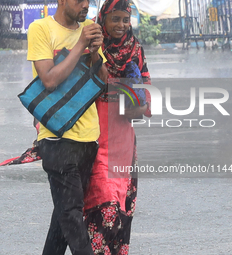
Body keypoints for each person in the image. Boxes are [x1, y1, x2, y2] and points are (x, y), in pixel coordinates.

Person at [26, 0, 108, 254]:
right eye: (79, 0)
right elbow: (49, 79)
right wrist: (81, 44)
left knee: (62, 220)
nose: (85, 5)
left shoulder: (88, 29)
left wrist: (94, 51)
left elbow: (102, 82)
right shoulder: (40, 28)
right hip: (56, 139)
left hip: (88, 139)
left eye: (88, 1)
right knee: (72, 217)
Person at [83, 0, 152, 254]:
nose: (121, 25)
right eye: (115, 19)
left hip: (124, 139)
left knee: (121, 211)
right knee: (104, 203)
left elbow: (146, 94)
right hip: (95, 135)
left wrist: (137, 101)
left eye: (126, 19)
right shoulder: (91, 45)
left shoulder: (136, 50)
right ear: (104, 17)